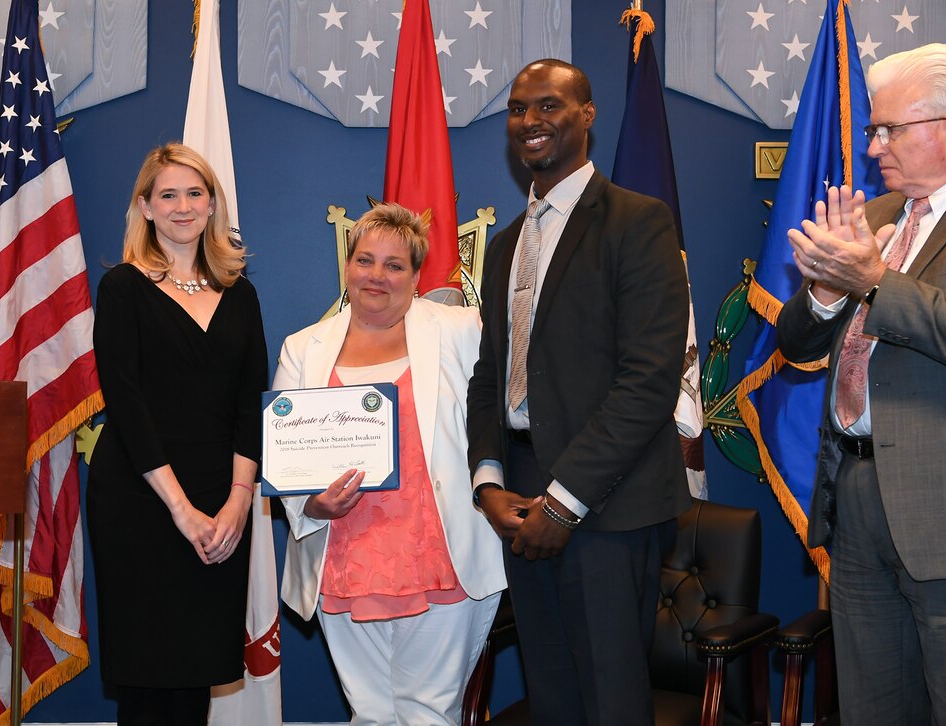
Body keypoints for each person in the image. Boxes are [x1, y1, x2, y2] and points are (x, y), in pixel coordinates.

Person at [778, 43, 946, 725]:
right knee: (871, 709)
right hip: (859, 497)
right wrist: (827, 293)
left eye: (889, 129)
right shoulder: (874, 218)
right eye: (873, 130)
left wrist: (873, 283)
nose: (873, 148)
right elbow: (796, 342)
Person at [465, 59, 690, 724]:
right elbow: (489, 374)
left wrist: (563, 505)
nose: (529, 121)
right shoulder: (506, 246)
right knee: (553, 698)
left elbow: (648, 380)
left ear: (587, 115)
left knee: (610, 702)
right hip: (521, 496)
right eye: (517, 109)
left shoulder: (639, 221)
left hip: (606, 503)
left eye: (548, 106)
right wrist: (487, 479)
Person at [275, 203, 505, 725]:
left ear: (417, 274)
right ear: (347, 265)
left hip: (440, 552)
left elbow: (505, 402)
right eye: (365, 260)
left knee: (429, 714)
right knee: (372, 713)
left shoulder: (462, 330)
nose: (376, 276)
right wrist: (311, 501)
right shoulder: (303, 348)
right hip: (343, 558)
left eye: (394, 264)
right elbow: (286, 457)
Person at [87, 143, 268, 725]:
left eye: (195, 193)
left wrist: (238, 502)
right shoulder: (122, 288)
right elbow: (127, 405)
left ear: (213, 203)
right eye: (168, 195)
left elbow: (250, 405)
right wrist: (182, 510)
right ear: (145, 207)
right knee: (147, 675)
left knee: (195, 670)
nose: (183, 206)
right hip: (142, 499)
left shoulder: (241, 293)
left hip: (222, 500)